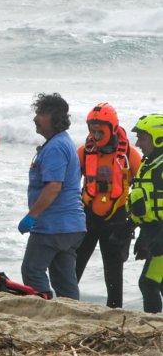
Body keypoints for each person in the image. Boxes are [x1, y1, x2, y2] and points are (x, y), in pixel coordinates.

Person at [19, 93, 85, 300]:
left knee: (32, 270)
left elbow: (54, 187)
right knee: (65, 280)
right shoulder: (62, 142)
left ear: (54, 117)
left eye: (41, 113)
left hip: (53, 225)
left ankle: (43, 308)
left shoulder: (56, 146)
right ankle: (72, 315)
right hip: (72, 226)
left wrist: (32, 216)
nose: (35, 118)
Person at [74, 103, 140, 308]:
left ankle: (114, 310)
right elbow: (68, 184)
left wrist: (134, 223)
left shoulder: (130, 155)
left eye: (99, 130)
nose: (94, 135)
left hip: (117, 220)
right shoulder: (83, 152)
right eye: (91, 130)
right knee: (73, 266)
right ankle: (65, 303)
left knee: (113, 272)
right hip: (87, 217)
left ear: (112, 128)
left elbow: (144, 189)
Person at [126, 114, 163, 313]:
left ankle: (153, 328)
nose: (137, 143)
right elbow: (145, 203)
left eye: (142, 137)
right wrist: (130, 227)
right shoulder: (149, 164)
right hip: (153, 231)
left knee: (148, 283)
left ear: (158, 138)